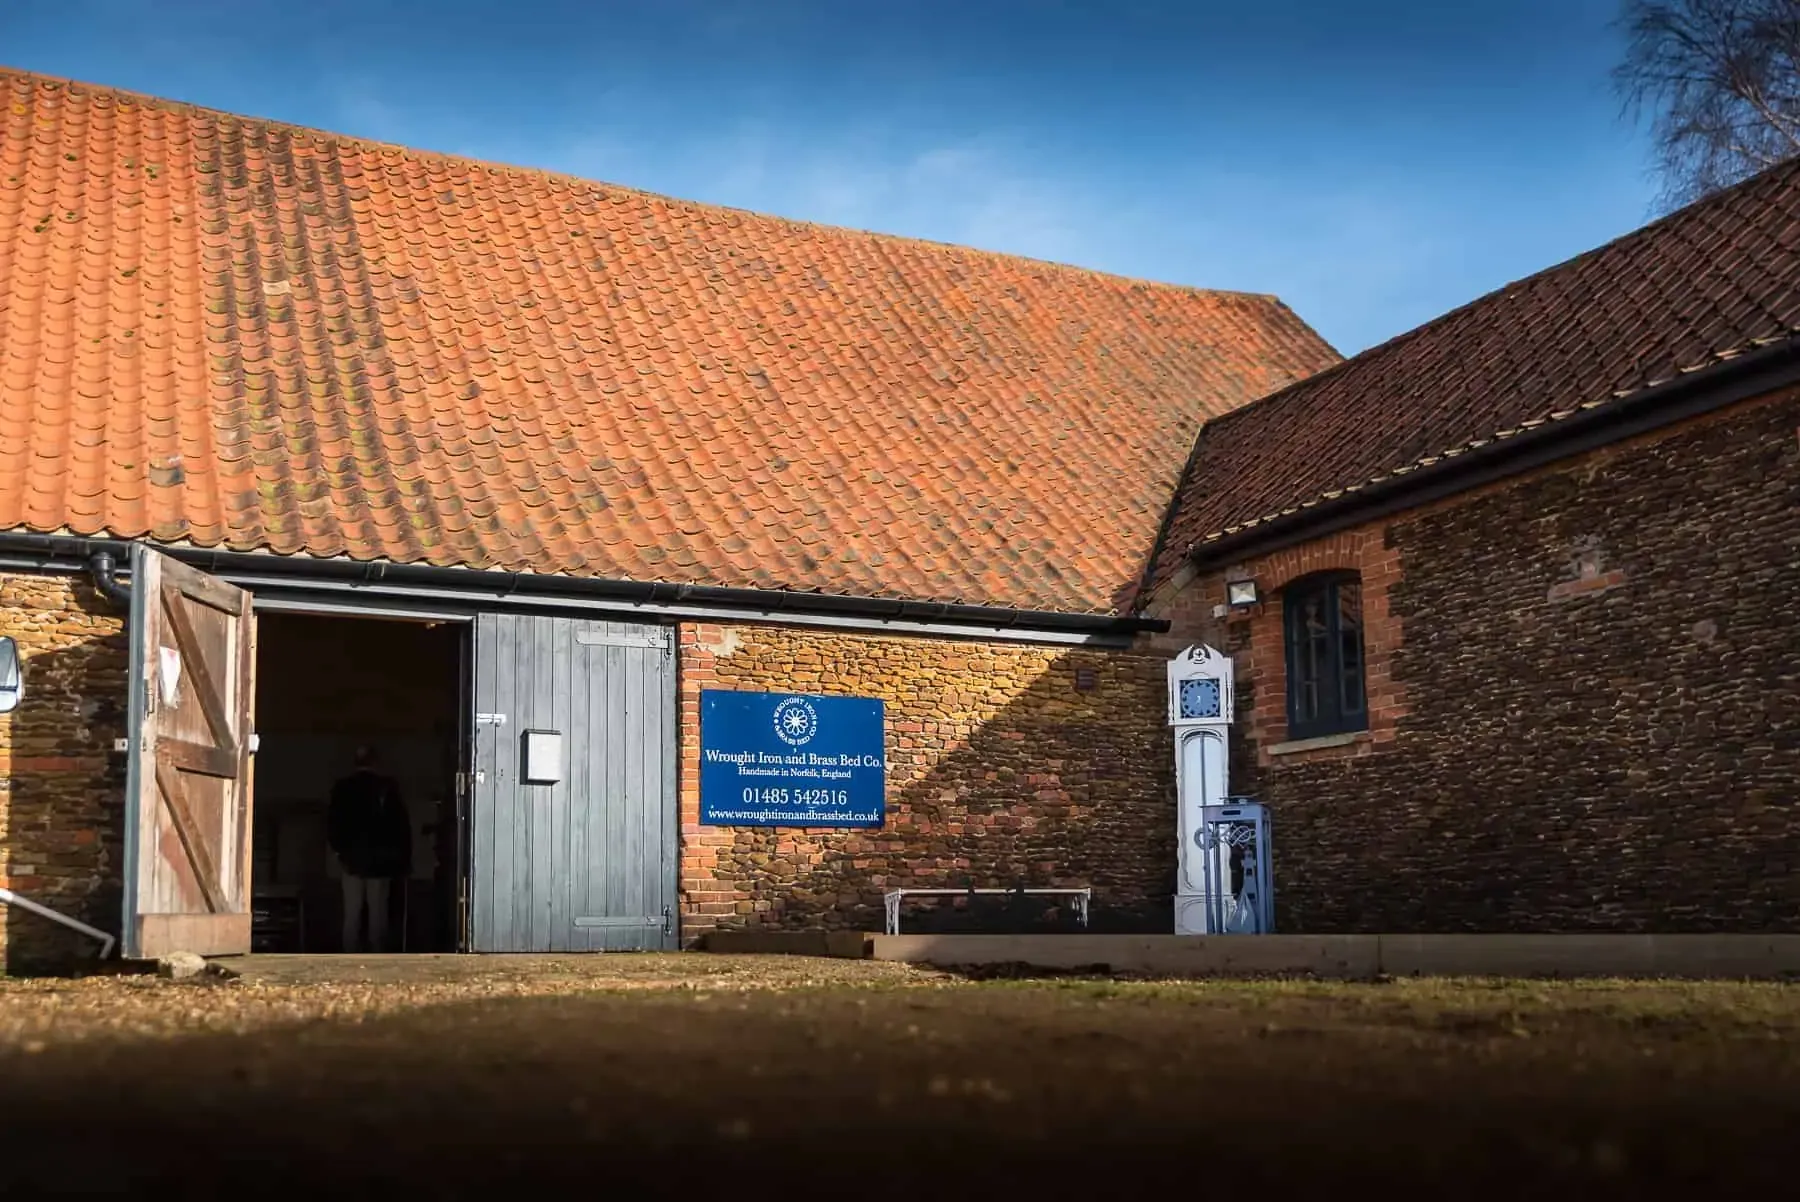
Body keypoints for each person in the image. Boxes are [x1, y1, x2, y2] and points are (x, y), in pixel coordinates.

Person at [325, 745, 411, 953]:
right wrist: (403, 858)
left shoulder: (343, 788)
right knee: (378, 912)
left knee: (352, 913)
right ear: (375, 762)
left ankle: (349, 955)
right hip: (380, 860)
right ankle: (377, 955)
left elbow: (333, 823)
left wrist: (339, 851)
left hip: (351, 859)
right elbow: (400, 825)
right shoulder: (387, 787)